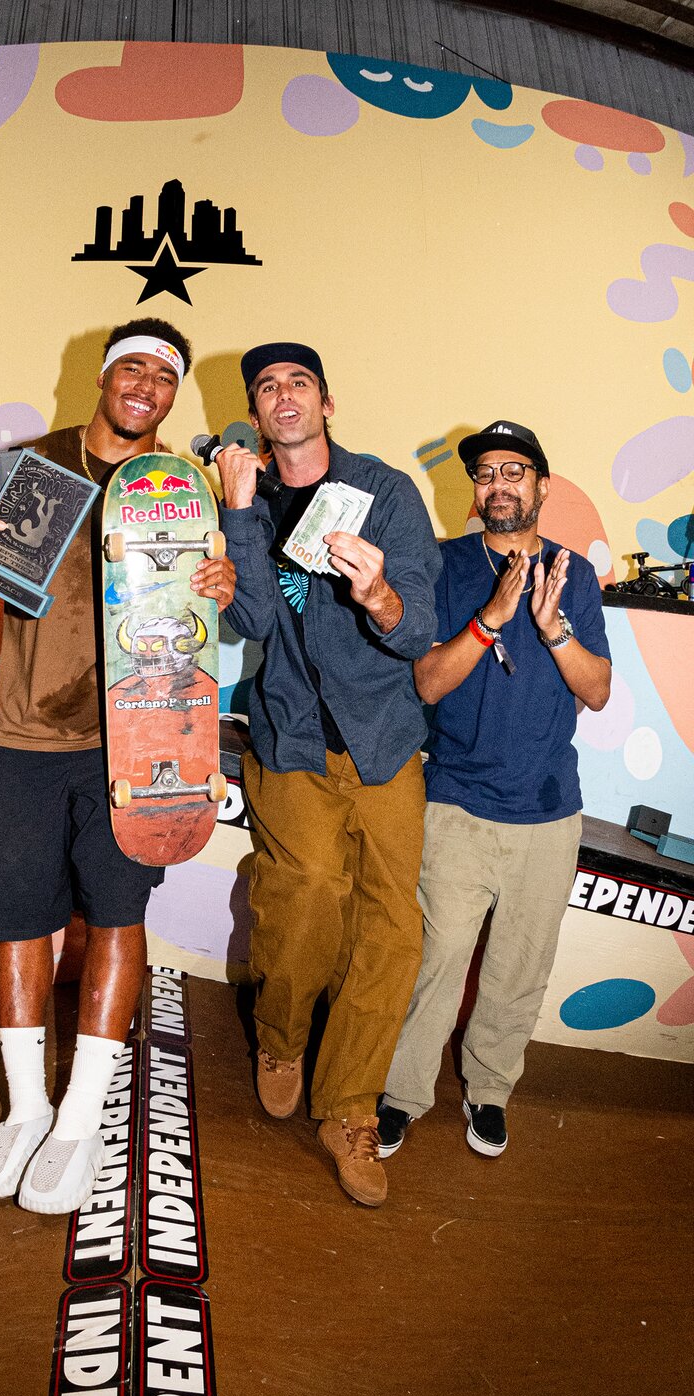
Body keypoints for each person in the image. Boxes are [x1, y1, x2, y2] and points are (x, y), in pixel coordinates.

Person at [0, 318, 236, 1215]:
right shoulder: (33, 467)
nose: (146, 384)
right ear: (105, 377)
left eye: (164, 374)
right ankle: (26, 1108)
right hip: (27, 733)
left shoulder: (183, 490)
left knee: (117, 916)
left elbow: (204, 615)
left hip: (142, 738)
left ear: (173, 392)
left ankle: (79, 1118)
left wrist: (222, 585)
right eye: (132, 367)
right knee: (17, 921)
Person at [216, 341, 440, 1208]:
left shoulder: (385, 492)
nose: (284, 397)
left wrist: (377, 593)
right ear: (256, 413)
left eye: (299, 383)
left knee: (395, 928)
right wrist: (241, 511)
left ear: (326, 403)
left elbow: (414, 629)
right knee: (305, 891)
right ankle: (281, 1037)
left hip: (383, 742)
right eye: (267, 387)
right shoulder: (249, 498)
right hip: (292, 738)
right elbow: (252, 618)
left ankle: (348, 1109)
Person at [377, 421, 610, 1159]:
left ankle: (489, 1090)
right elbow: (428, 682)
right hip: (456, 803)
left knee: (519, 969)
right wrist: (491, 620)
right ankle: (401, 1094)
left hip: (548, 809)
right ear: (475, 491)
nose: (499, 484)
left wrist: (553, 628)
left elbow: (597, 691)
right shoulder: (443, 565)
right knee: (435, 961)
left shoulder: (574, 574)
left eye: (514, 471)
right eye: (486, 473)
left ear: (541, 485)